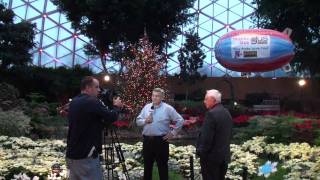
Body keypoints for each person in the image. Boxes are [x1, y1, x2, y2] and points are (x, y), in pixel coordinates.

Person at [66, 76, 123, 180]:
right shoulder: (91, 101)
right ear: (88, 87)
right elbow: (111, 117)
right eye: (96, 87)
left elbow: (90, 123)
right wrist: (116, 107)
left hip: (73, 153)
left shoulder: (74, 101)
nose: (99, 90)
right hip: (86, 156)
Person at [136, 88, 184, 180]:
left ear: (162, 97)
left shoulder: (168, 108)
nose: (154, 98)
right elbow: (138, 121)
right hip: (147, 141)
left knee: (162, 167)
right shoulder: (147, 107)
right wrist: (145, 121)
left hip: (161, 141)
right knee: (147, 167)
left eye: (157, 96)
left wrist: (173, 133)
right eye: (153, 95)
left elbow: (180, 120)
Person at [196, 89, 233, 180]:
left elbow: (207, 138)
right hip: (223, 157)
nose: (204, 102)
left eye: (206, 99)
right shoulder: (226, 112)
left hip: (211, 159)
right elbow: (229, 134)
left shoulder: (211, 114)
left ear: (213, 100)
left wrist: (200, 152)